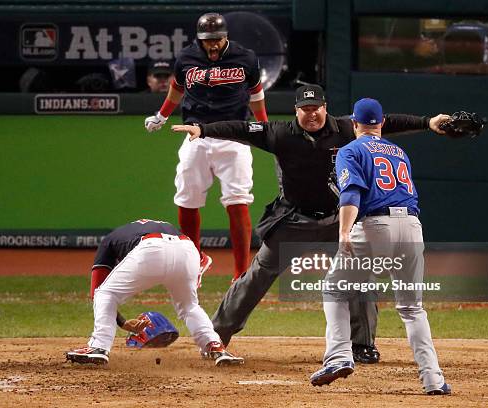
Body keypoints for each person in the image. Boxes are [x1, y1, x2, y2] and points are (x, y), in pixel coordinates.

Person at [171, 84, 451, 364]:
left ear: (325, 108)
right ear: (296, 111)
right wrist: (203, 130)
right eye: (305, 109)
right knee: (257, 275)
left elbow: (387, 122)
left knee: (359, 277)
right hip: (294, 219)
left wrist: (428, 122)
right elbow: (241, 129)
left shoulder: (345, 129)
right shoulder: (280, 133)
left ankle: (363, 344)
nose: (311, 114)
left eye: (315, 108)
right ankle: (216, 336)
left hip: (335, 220)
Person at [309, 98, 451, 395]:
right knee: (413, 308)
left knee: (334, 290)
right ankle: (434, 380)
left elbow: (351, 193)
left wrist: (344, 231)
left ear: (355, 124)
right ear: (382, 123)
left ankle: (338, 356)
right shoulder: (399, 152)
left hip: (375, 226)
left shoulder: (350, 149)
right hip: (412, 226)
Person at [144, 12, 268, 282]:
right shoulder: (187, 58)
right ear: (199, 39)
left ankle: (240, 273)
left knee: (237, 201)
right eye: (207, 40)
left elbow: (256, 95)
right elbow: (176, 89)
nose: (212, 45)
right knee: (187, 200)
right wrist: (162, 115)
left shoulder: (245, 58)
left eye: (217, 39)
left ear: (226, 37)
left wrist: (264, 127)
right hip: (195, 134)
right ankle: (195, 260)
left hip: (234, 135)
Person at [66, 219, 244, 366]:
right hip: (188, 249)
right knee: (190, 306)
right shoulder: (161, 227)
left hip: (150, 248)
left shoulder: (108, 241)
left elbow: (96, 290)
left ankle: (99, 346)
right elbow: (203, 260)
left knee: (105, 293)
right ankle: (214, 346)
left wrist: (122, 323)